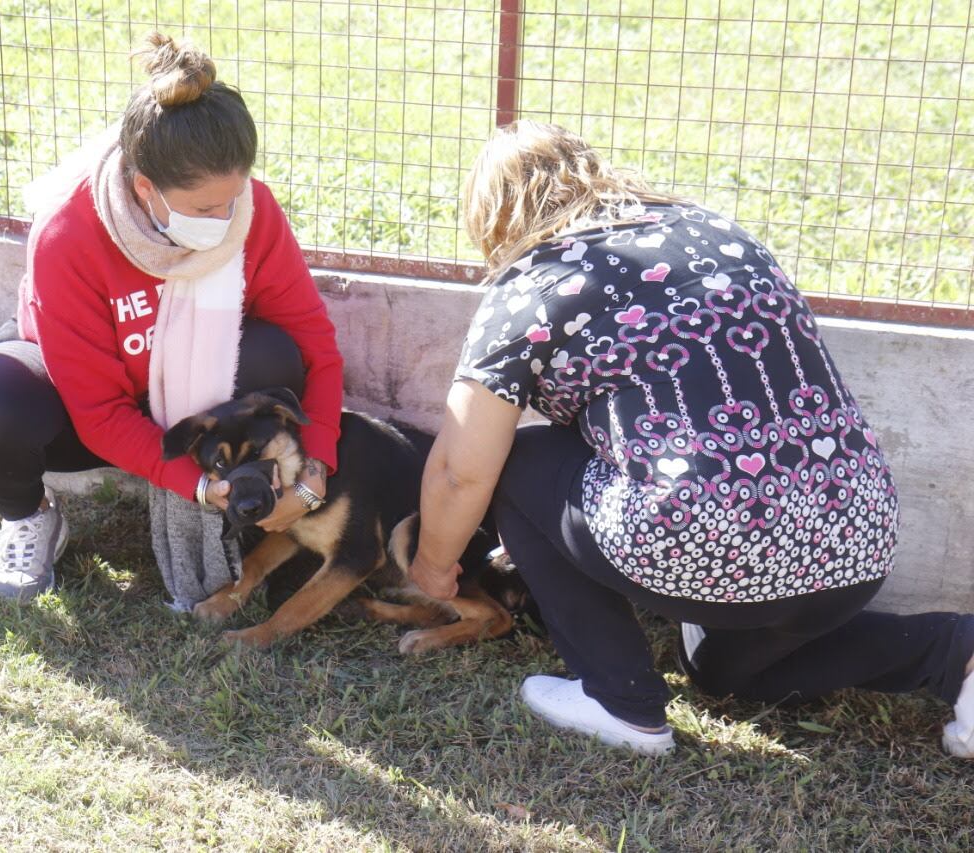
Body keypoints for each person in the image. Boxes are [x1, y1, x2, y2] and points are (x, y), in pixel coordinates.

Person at [406, 120, 974, 757]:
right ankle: (959, 654)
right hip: (857, 533)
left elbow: (462, 469)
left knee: (519, 459)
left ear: (493, 218)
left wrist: (432, 564)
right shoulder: (720, 232)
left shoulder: (531, 284)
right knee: (727, 673)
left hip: (705, 545)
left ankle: (621, 701)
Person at [0, 34, 343, 608]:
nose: (228, 219)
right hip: (85, 417)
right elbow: (100, 413)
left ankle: (251, 503)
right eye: (207, 210)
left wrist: (316, 463)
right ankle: (30, 519)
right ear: (146, 187)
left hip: (194, 409)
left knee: (276, 354)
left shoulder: (255, 212)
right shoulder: (69, 233)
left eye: (235, 198)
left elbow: (315, 348)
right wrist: (199, 486)